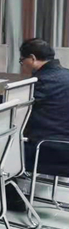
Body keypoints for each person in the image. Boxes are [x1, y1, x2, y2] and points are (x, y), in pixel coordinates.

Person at [19, 38, 69, 172]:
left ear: (32, 58)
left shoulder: (41, 81)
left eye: (22, 60)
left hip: (47, 149)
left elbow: (16, 104)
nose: (22, 65)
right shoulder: (66, 74)